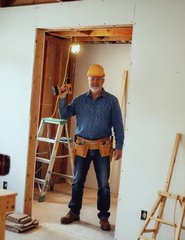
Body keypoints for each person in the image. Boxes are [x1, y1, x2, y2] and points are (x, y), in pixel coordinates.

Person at [58, 63, 124, 231]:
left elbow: (118, 126)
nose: (94, 82)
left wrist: (119, 146)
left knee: (103, 185)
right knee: (77, 181)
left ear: (103, 80)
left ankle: (103, 217)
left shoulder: (112, 101)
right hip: (82, 147)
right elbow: (65, 115)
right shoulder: (79, 100)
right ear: (88, 79)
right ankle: (73, 212)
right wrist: (63, 98)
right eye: (92, 79)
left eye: (98, 79)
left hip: (102, 147)